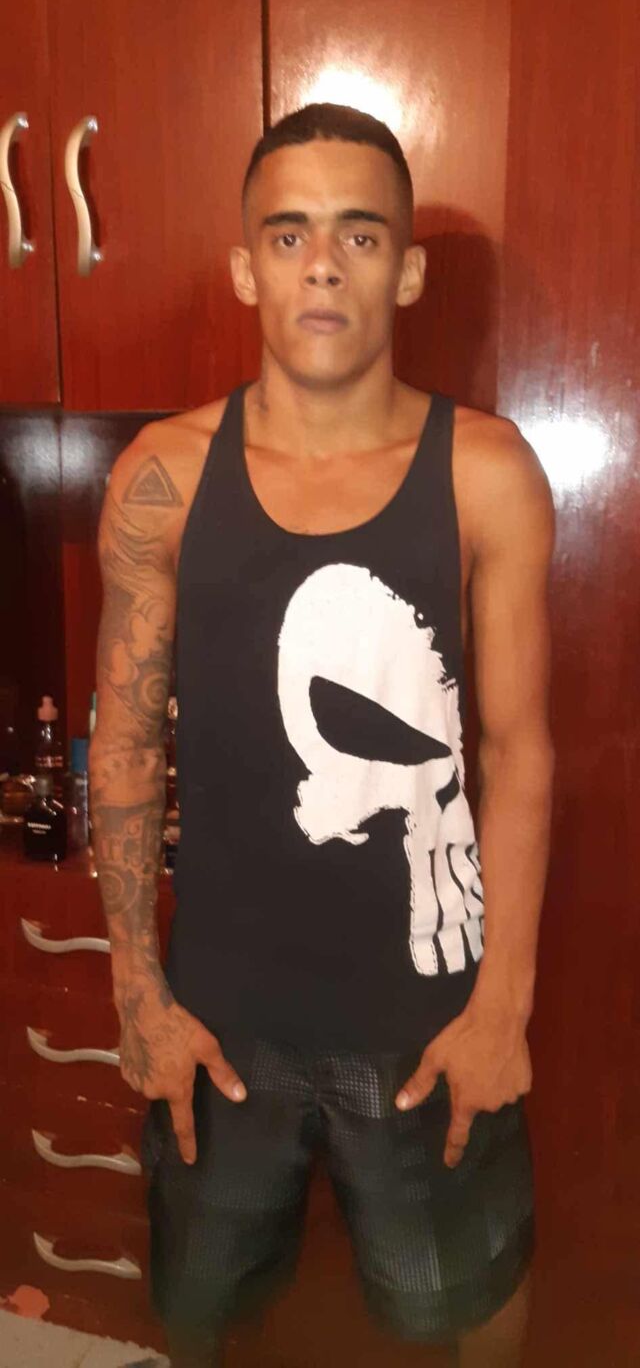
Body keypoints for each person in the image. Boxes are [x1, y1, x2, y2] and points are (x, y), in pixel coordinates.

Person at [89, 103, 555, 1368]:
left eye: (359, 234)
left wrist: (502, 1007)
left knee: (466, 1304)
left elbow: (517, 751)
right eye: (288, 234)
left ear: (406, 271)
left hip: (428, 1014)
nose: (323, 267)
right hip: (220, 1021)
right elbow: (122, 744)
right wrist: (137, 992)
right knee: (201, 1318)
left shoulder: (486, 472)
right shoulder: (163, 479)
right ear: (246, 268)